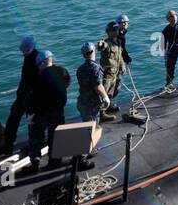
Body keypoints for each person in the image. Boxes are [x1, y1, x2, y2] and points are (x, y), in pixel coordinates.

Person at [24, 50, 71, 173]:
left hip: (41, 112)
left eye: (39, 65)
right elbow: (67, 84)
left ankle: (35, 162)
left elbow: (34, 98)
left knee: (36, 136)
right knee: (56, 137)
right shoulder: (62, 71)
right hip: (58, 111)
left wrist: (31, 113)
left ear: (42, 63)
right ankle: (55, 161)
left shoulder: (39, 78)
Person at [74, 42, 108, 170]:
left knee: (87, 127)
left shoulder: (80, 69)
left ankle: (89, 150)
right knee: (92, 130)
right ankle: (80, 159)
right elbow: (98, 85)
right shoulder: (95, 68)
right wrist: (105, 97)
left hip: (82, 102)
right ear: (94, 51)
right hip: (91, 104)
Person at [2, 35, 38, 152]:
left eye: (26, 50)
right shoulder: (28, 57)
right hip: (23, 94)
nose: (24, 52)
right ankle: (8, 145)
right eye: (23, 50)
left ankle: (34, 144)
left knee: (33, 121)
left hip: (32, 96)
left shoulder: (37, 59)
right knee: (13, 119)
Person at [98, 18, 130, 119]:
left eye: (116, 30)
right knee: (104, 94)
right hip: (107, 73)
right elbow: (102, 47)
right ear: (108, 32)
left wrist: (123, 66)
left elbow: (119, 56)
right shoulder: (107, 43)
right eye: (113, 30)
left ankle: (108, 107)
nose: (115, 31)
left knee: (112, 92)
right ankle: (102, 114)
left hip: (115, 73)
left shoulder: (118, 42)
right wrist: (101, 45)